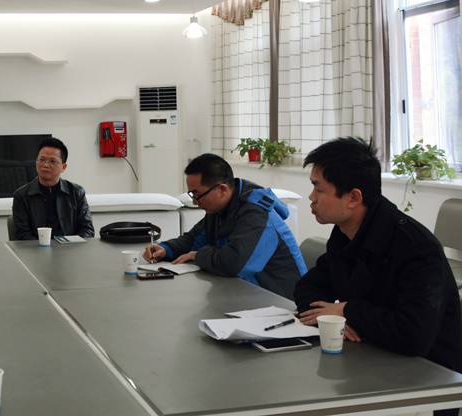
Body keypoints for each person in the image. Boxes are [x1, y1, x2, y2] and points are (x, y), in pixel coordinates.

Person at [294, 137, 462, 409]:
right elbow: (308, 286)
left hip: (427, 384)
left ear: (353, 197)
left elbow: (414, 334)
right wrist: (332, 318)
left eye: (318, 188)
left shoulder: (416, 248)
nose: (311, 198)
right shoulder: (345, 233)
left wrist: (347, 311)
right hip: (367, 365)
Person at [142, 153, 306, 299]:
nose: (195, 202)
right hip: (248, 294)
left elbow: (233, 264)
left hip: (283, 302)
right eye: (192, 194)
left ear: (222, 189)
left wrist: (197, 256)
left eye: (197, 194)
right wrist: (165, 249)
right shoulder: (220, 208)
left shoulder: (257, 215)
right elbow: (194, 239)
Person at [12, 137, 95, 240]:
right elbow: (22, 234)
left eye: (52, 161)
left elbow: (87, 230)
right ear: (36, 162)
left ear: (63, 167)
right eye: (42, 160)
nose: (46, 165)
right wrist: (44, 247)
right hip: (37, 249)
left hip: (70, 248)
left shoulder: (76, 193)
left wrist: (70, 245)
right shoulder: (21, 196)